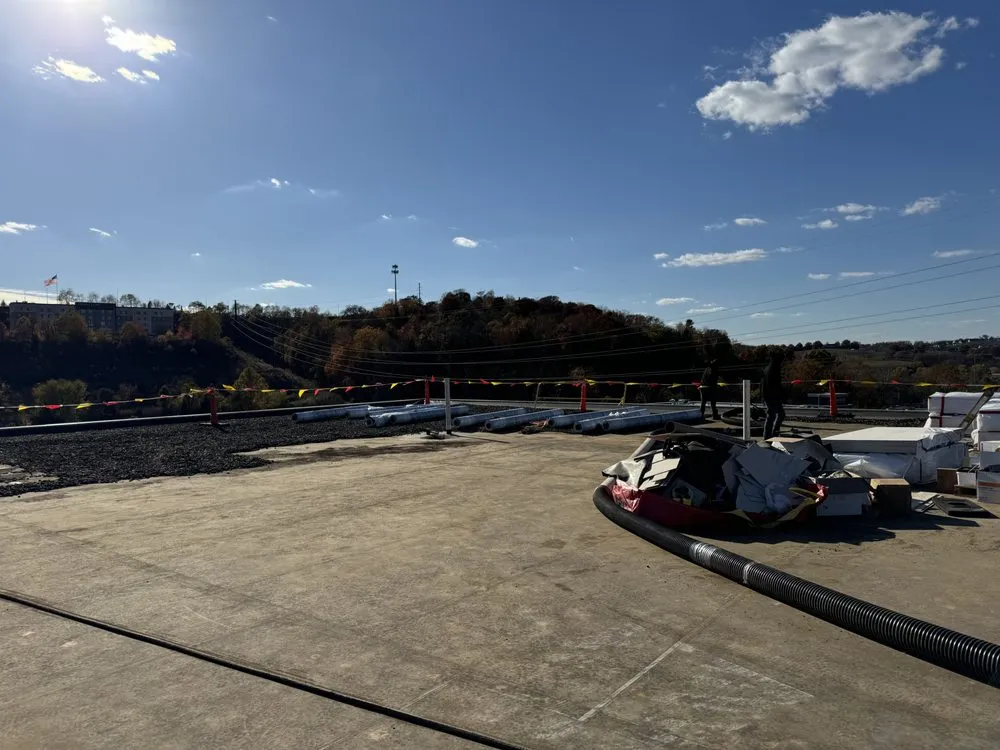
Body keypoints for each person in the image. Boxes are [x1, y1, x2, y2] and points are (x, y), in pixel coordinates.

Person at [762, 350, 785, 439]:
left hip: (771, 396)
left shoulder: (768, 368)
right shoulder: (774, 369)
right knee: (771, 416)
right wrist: (783, 394)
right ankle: (767, 436)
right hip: (771, 396)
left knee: (780, 414)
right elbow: (776, 384)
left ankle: (774, 432)